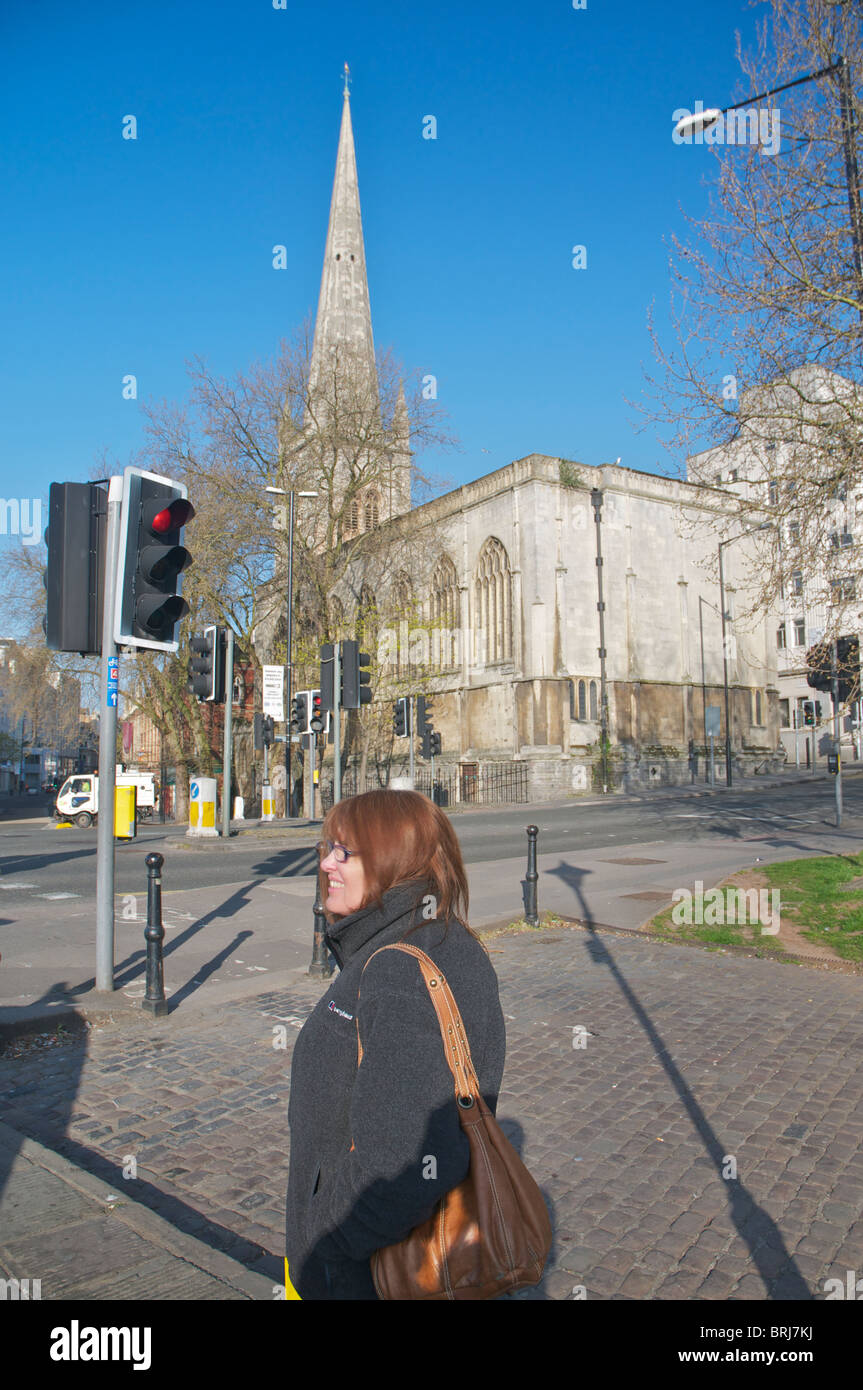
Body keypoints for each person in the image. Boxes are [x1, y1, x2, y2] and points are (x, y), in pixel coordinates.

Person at [285, 788, 507, 1300]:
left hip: (362, 1277)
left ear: (395, 862)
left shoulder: (395, 969)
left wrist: (325, 1242)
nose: (326, 864)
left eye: (346, 852)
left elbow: (400, 1162)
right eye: (328, 848)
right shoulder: (443, 939)